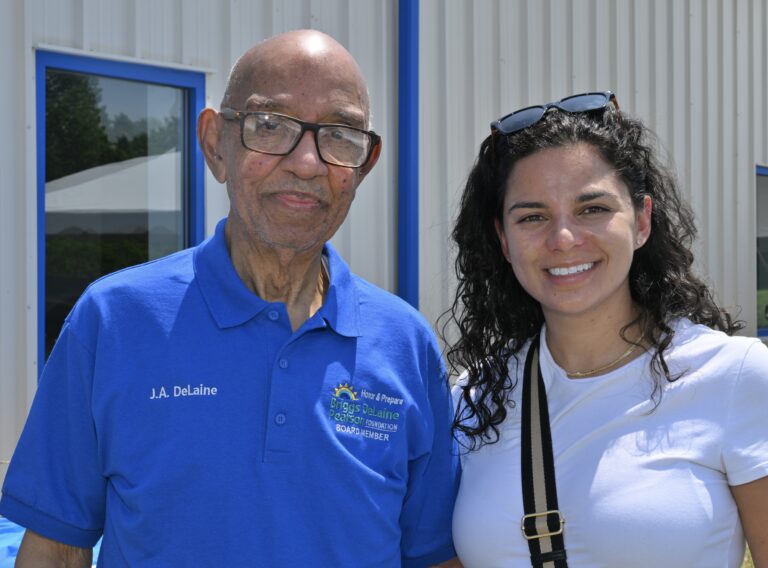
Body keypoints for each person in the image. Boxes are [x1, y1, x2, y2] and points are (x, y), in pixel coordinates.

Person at [0, 30, 460, 567]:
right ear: (216, 143)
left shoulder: (406, 344)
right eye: (271, 126)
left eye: (339, 135)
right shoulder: (115, 321)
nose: (307, 163)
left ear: (364, 164)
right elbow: (57, 548)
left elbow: (433, 557)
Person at [443, 91, 768, 567]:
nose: (564, 239)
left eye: (592, 208)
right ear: (504, 241)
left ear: (641, 221)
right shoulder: (473, 401)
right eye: (533, 216)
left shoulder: (738, 377)